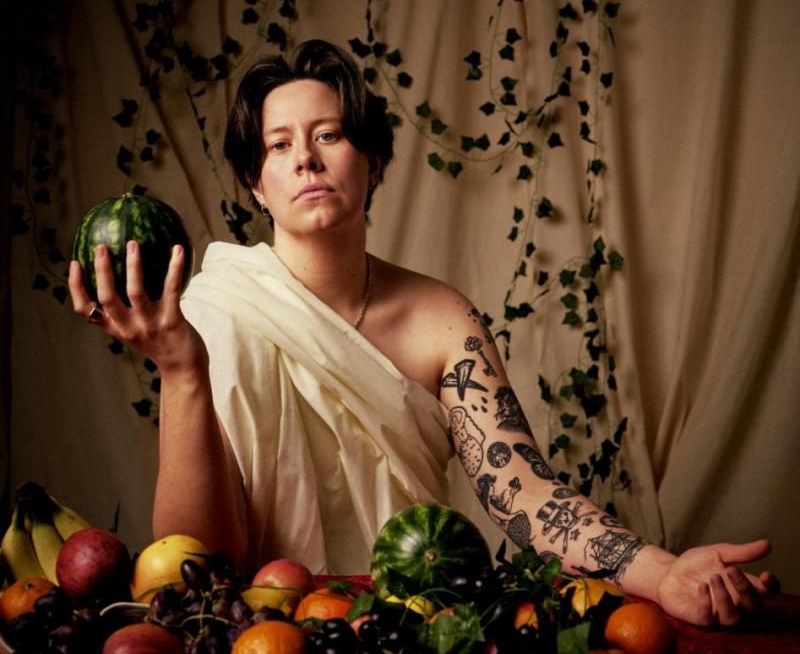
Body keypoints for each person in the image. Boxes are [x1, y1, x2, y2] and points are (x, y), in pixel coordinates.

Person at [69, 39, 778, 627]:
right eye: (279, 145)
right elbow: (199, 563)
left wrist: (660, 571)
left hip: (413, 626)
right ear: (256, 183)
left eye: (330, 135)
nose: (306, 159)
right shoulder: (213, 311)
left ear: (373, 161)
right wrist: (182, 370)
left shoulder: (443, 319)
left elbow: (522, 494)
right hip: (261, 634)